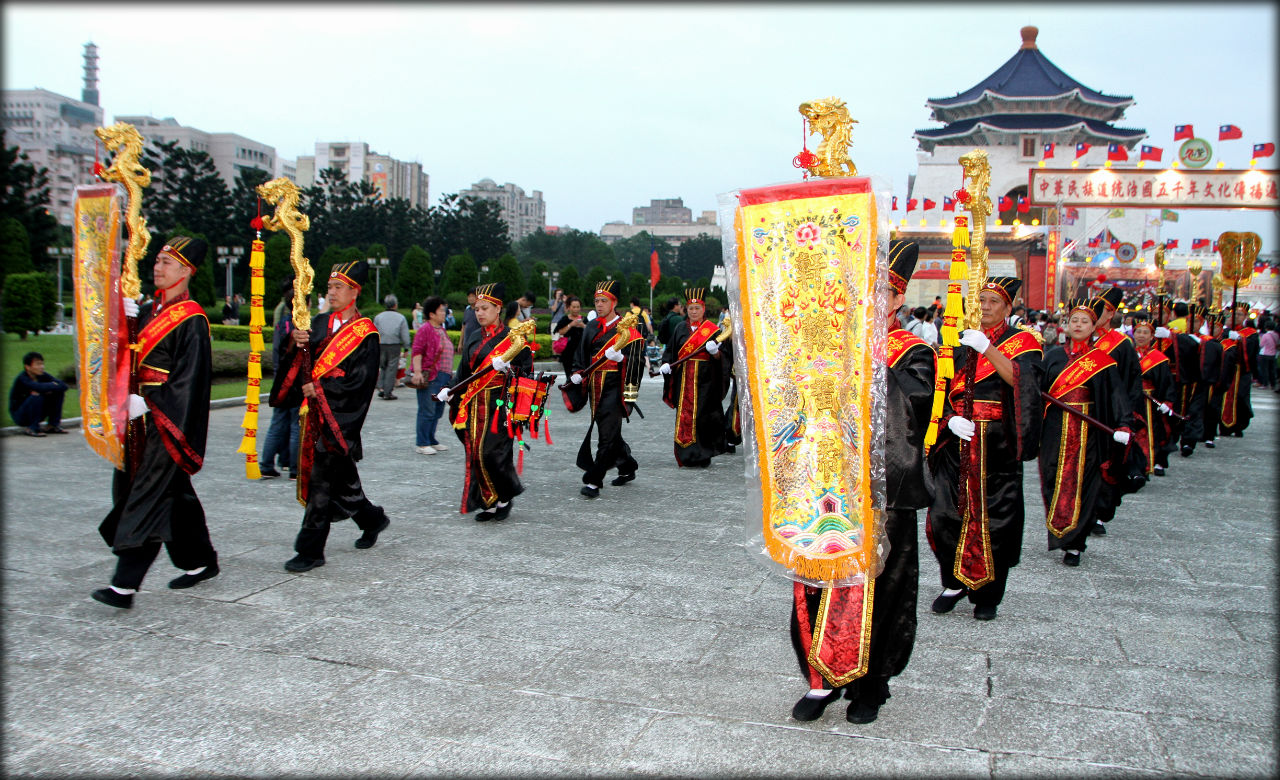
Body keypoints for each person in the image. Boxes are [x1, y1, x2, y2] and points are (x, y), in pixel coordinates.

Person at [789, 239, 936, 725]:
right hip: (828, 485)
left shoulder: (914, 352)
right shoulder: (829, 340)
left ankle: (872, 684)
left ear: (897, 300)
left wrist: (868, 361)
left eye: (881, 294)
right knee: (816, 577)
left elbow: (910, 411)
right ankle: (819, 677)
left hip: (883, 492)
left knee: (884, 586)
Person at [93, 236, 218, 609]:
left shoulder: (193, 318)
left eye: (167, 262)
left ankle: (124, 586)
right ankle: (200, 560)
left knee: (145, 496)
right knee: (170, 494)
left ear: (186, 270)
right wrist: (123, 322)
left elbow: (190, 380)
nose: (157, 267)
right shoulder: (146, 309)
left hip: (164, 419)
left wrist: (150, 403)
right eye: (158, 261)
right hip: (134, 418)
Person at [926, 276, 1043, 621]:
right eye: (983, 300)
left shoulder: (1023, 343)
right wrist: (948, 419)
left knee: (996, 518)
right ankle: (953, 581)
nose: (987, 307)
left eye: (994, 301)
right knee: (945, 512)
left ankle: (988, 594)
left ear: (1009, 307)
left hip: (997, 442)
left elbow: (1024, 383)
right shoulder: (959, 342)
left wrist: (987, 349)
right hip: (957, 440)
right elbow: (940, 386)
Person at [272, 260, 389, 573]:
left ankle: (310, 549)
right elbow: (299, 362)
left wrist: (320, 388)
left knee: (321, 483)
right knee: (344, 483)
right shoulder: (318, 323)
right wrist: (294, 344)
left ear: (354, 291)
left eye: (338, 287)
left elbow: (360, 383)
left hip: (338, 419)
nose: (331, 292)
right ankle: (373, 519)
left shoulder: (366, 334)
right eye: (329, 287)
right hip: (313, 416)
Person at [1039, 298, 1134, 567]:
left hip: (1088, 430)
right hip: (1054, 428)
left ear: (1094, 326)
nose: (1078, 325)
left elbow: (1117, 395)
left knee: (1084, 483)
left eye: (1085, 321)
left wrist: (1124, 423)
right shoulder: (1052, 355)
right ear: (1066, 325)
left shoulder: (1102, 361)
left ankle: (1076, 544)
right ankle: (1060, 530)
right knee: (1051, 478)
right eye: (1074, 320)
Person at [437, 282, 532, 521]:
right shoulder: (474, 336)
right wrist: (450, 387)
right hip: (474, 402)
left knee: (493, 453)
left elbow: (526, 373)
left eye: (485, 308)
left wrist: (510, 368)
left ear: (498, 309)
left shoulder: (513, 339)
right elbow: (465, 371)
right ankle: (487, 501)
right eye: (477, 308)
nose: (479, 313)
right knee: (476, 453)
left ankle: (505, 495)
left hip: (499, 403)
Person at [568, 280, 645, 498]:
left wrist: (622, 358)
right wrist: (576, 372)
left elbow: (637, 361)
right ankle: (627, 465)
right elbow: (581, 355)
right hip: (595, 385)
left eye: (604, 301)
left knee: (606, 434)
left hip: (615, 385)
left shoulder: (630, 328)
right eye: (596, 301)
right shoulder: (592, 326)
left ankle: (594, 480)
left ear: (614, 302)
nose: (599, 305)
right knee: (609, 431)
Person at [1088, 287, 1145, 535]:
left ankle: (1100, 513)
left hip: (1110, 414)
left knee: (1107, 463)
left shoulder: (1120, 344)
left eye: (1097, 310)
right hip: (1084, 412)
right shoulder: (1082, 340)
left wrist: (1128, 416)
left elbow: (1131, 383)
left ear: (1109, 313)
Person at [657, 287, 728, 468]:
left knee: (703, 415)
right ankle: (686, 453)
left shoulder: (713, 330)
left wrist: (716, 354)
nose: (694, 312)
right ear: (686, 310)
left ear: (703, 309)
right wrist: (666, 364)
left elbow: (724, 358)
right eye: (690, 309)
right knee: (685, 414)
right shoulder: (681, 327)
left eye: (697, 308)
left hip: (706, 379)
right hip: (683, 377)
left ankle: (703, 453)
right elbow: (672, 351)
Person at [260, 277, 303, 479]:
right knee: (296, 424)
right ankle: (294, 468)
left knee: (277, 423)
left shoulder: (281, 324)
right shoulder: (301, 327)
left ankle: (267, 463)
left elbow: (276, 351)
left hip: (281, 379)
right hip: (295, 380)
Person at [1132, 314, 1177, 477]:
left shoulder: (1159, 359)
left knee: (1154, 431)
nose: (1141, 336)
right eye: (1138, 332)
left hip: (1151, 401)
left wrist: (1167, 402)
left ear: (1152, 336)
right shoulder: (1127, 355)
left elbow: (1166, 383)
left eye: (1146, 332)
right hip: (1132, 399)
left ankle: (1153, 460)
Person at [410, 296, 454, 455]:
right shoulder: (425, 329)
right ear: (432, 314)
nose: (444, 313)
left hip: (443, 377)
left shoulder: (441, 329)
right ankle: (422, 443)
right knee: (427, 409)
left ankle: (430, 439)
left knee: (437, 410)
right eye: (441, 310)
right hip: (431, 376)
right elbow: (417, 351)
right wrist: (417, 372)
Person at [1162, 301, 1206, 457]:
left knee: (1193, 411)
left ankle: (1188, 441)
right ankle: (1171, 440)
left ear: (1202, 323)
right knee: (1174, 410)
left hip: (1196, 382)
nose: (1191, 324)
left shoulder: (1205, 339)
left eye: (1195, 321)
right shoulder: (1178, 335)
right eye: (1189, 320)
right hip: (1179, 379)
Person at [9, 351, 68, 436]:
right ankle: (32, 428)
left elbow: (63, 386)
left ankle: (53, 425)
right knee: (37, 395)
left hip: (38, 411)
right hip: (21, 415)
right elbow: (38, 387)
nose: (42, 367)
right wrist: (52, 385)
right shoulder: (22, 378)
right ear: (28, 367)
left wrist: (49, 387)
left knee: (58, 392)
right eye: (38, 364)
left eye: (42, 364)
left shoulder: (43, 375)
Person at [1198, 307, 1226, 450]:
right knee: (1200, 408)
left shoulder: (1225, 343)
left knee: (1214, 408)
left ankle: (1210, 435)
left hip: (1216, 382)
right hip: (1203, 380)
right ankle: (1201, 433)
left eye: (1216, 327)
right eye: (1211, 327)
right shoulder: (1204, 341)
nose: (1213, 330)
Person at [373, 294, 409, 400]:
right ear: (395, 305)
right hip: (394, 345)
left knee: (383, 366)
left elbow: (374, 332)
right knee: (391, 368)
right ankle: (388, 392)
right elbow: (405, 334)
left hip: (381, 344)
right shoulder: (401, 318)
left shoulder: (378, 317)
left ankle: (381, 387)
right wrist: (406, 347)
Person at [554, 295, 587, 378]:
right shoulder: (565, 319)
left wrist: (583, 325)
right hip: (568, 351)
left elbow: (590, 332)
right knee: (569, 374)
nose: (576, 309)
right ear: (569, 307)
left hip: (581, 351)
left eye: (578, 307)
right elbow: (560, 332)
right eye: (574, 307)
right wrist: (571, 325)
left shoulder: (584, 319)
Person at [1258, 319, 1278, 390]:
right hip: (1273, 355)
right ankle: (1273, 384)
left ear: (1266, 327)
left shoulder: (1265, 335)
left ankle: (1265, 384)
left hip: (1264, 354)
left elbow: (1261, 345)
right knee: (1272, 370)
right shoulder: (1276, 335)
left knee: (1264, 370)